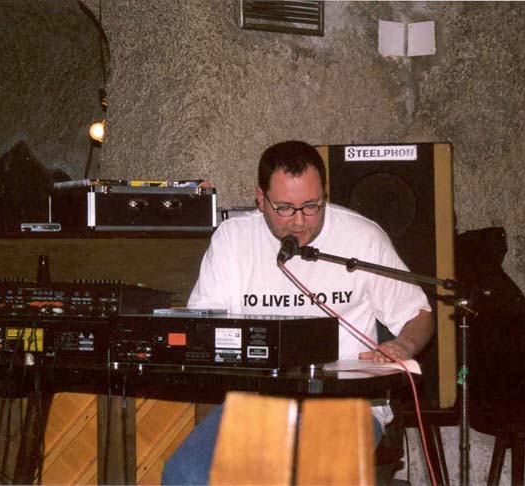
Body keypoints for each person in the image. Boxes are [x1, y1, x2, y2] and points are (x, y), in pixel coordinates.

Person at [161, 140, 434, 485]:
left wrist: (403, 345)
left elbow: (418, 313)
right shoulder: (233, 240)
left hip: (346, 404)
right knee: (186, 474)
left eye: (312, 206)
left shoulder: (362, 238)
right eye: (285, 209)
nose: (300, 222)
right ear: (261, 199)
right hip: (256, 404)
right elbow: (204, 325)